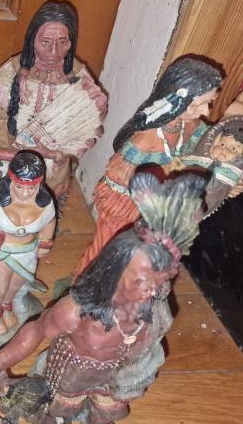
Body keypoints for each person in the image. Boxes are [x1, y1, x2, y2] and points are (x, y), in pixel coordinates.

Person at [0, 172, 206, 424]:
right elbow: (36, 330)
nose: (152, 290)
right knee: (62, 404)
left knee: (110, 408)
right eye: (142, 281)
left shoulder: (153, 307)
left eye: (161, 280)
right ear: (114, 271)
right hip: (73, 370)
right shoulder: (77, 311)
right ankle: (55, 423)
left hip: (116, 373)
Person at [75, 57, 223, 273]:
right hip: (127, 204)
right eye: (197, 104)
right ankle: (84, 282)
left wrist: (224, 175)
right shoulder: (145, 140)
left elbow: (208, 147)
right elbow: (117, 178)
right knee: (108, 249)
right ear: (175, 99)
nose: (206, 112)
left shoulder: (191, 125)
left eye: (209, 102)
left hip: (159, 207)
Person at [0, 0, 107, 202]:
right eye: (45, 42)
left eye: (62, 42)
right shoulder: (11, 73)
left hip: (54, 164)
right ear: (32, 39)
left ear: (71, 42)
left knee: (46, 198)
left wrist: (54, 152)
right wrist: (14, 148)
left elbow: (84, 126)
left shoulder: (80, 79)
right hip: (15, 155)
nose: (54, 52)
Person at [0, 151, 56, 335]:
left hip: (26, 251)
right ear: (11, 181)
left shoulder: (45, 203)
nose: (25, 193)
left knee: (16, 283)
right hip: (1, 249)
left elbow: (50, 221)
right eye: (19, 187)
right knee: (0, 282)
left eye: (31, 188)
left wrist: (45, 243)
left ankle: (7, 306)